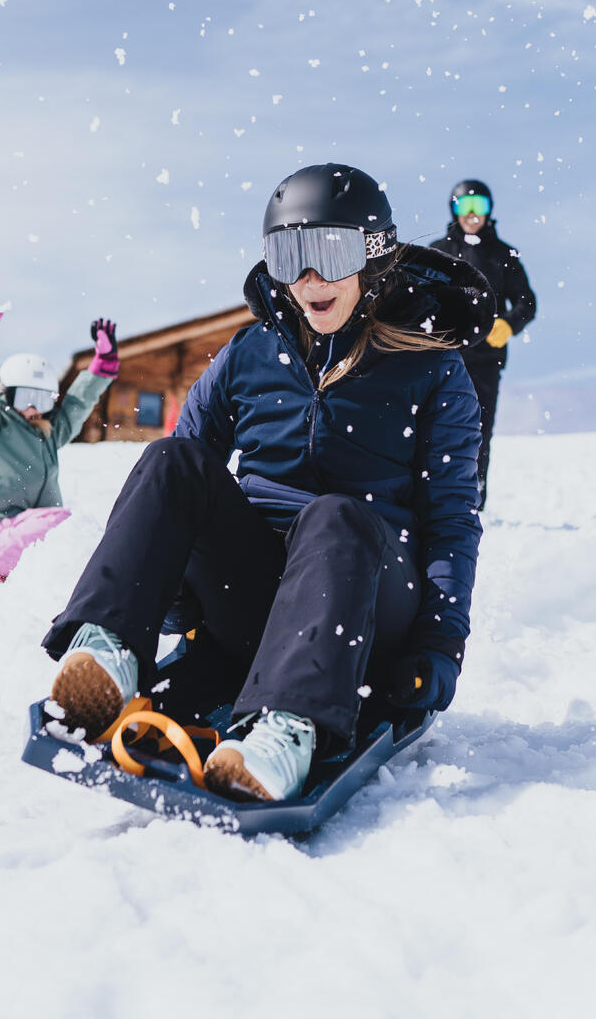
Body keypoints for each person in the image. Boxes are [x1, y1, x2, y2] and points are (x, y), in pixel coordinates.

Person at [39, 164, 491, 803]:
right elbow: (179, 487)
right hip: (253, 598)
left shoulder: (431, 370)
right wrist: (173, 587)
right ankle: (107, 653)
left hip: (364, 605)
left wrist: (441, 644)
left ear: (374, 256)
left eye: (328, 253)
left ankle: (288, 726)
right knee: (173, 459)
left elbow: (451, 518)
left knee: (338, 514)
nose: (309, 279)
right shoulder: (250, 354)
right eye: (288, 255)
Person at [0, 296, 118, 581]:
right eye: (26, 397)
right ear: (6, 394)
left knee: (70, 534)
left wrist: (102, 364)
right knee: (62, 523)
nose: (34, 407)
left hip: (43, 540)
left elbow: (78, 403)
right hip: (1, 539)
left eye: (43, 399)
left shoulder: (49, 433)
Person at [429, 178, 537, 508]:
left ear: (490, 211)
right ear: (454, 209)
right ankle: (433, 495)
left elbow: (527, 302)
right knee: (437, 427)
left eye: (481, 207)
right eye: (466, 206)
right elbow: (421, 297)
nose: (473, 214)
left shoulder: (503, 254)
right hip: (445, 356)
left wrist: (508, 323)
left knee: (478, 429)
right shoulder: (439, 252)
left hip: (487, 360)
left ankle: (474, 500)